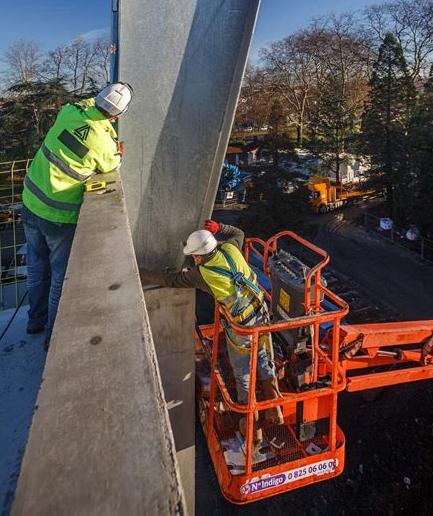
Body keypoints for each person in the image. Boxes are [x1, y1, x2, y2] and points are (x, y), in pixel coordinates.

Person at [142, 220, 283, 445]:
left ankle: (252, 427)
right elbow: (239, 231)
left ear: (197, 256)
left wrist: (141, 273)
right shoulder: (231, 247)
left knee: (243, 373)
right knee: (265, 359)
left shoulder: (203, 274)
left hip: (242, 327)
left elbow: (171, 280)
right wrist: (219, 227)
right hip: (261, 313)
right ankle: (274, 409)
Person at [22, 82, 133, 350]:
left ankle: (34, 321)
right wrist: (118, 150)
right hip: (59, 217)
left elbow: (82, 106)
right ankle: (52, 335)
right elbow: (111, 164)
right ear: (117, 115)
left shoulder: (69, 113)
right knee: (59, 276)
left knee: (36, 267)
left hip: (31, 202)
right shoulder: (103, 141)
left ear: (96, 98)